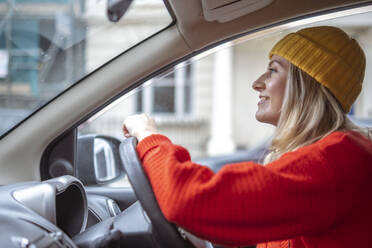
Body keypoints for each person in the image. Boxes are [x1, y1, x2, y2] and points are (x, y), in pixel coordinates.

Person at [122, 26, 372, 248]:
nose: (257, 83)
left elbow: (185, 200)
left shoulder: (335, 161)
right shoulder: (332, 156)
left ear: (306, 85)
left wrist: (147, 136)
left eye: (273, 71)